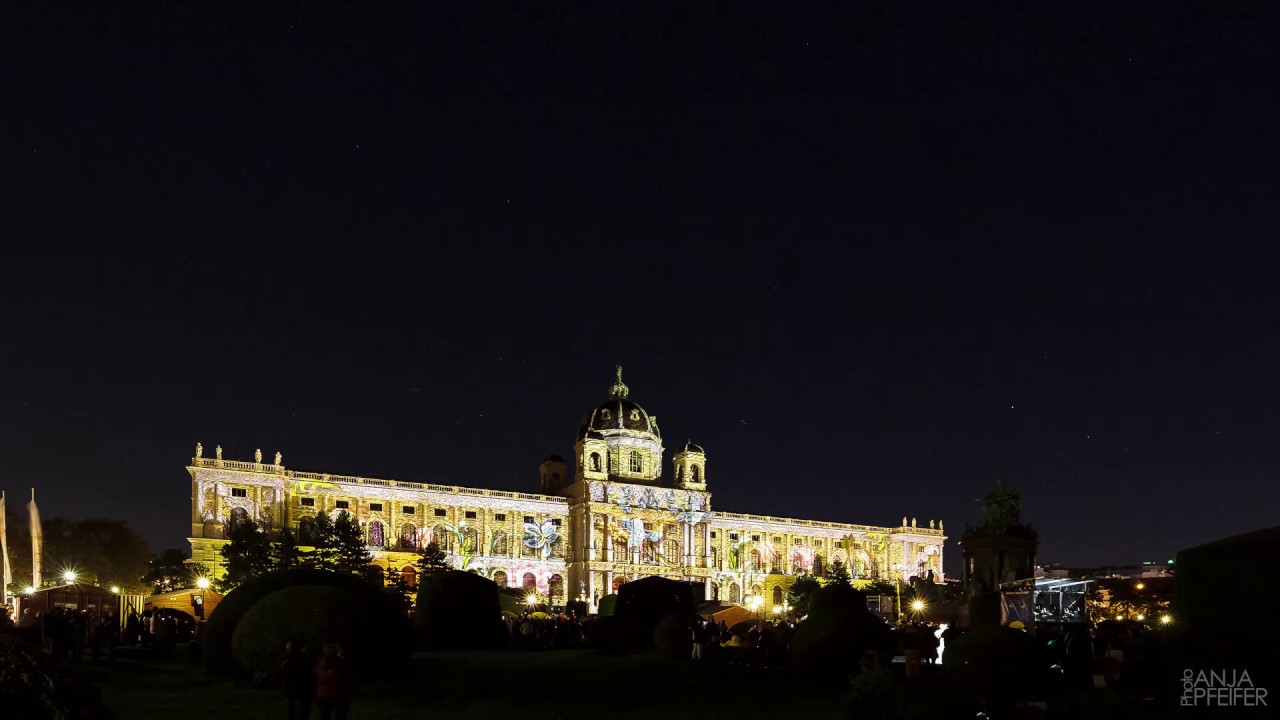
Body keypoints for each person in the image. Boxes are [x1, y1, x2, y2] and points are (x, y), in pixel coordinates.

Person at [314, 643, 355, 720]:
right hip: (339, 697)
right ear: (337, 652)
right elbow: (350, 681)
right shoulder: (343, 664)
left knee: (324, 717)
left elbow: (314, 680)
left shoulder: (320, 664)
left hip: (324, 697)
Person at [281, 639, 315, 720]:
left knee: (297, 715)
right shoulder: (301, 660)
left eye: (288, 645)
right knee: (297, 715)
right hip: (296, 693)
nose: (287, 647)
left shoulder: (292, 660)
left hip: (297, 693)